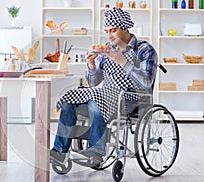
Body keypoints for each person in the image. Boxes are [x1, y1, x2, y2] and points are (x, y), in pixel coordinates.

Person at [50, 7, 158, 166]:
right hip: (104, 97)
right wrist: (92, 65)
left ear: (125, 28)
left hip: (133, 101)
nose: (109, 35)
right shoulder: (108, 48)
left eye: (113, 30)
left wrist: (123, 62)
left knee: (96, 100)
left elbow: (146, 82)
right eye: (107, 31)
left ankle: (96, 151)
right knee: (69, 102)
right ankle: (60, 152)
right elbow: (93, 83)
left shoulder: (144, 50)